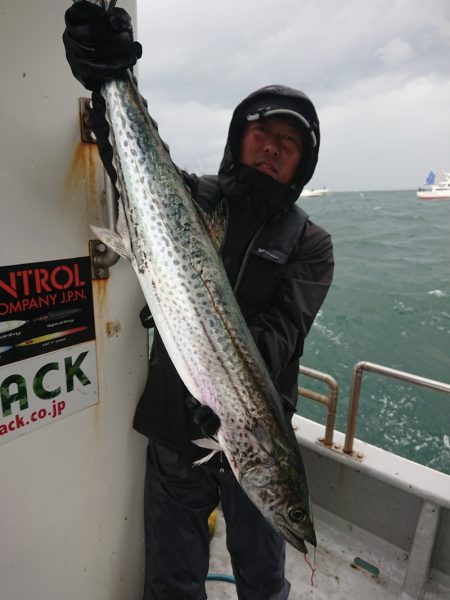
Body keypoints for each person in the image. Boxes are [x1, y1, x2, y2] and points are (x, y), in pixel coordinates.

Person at [63, 3, 334, 599]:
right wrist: (109, 77)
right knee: (171, 574)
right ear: (239, 137)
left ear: (302, 163)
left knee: (263, 579)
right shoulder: (199, 197)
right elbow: (133, 171)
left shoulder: (311, 244)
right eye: (263, 132)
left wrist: (234, 412)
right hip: (172, 427)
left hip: (251, 425)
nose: (272, 148)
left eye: (289, 142)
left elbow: (279, 337)